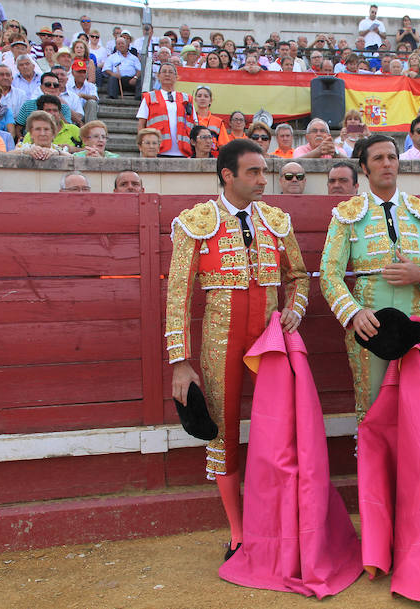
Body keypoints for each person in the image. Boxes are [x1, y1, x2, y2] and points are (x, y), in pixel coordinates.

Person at [166, 138, 309, 562]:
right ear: (227, 175)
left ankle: (279, 523)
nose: (263, 179)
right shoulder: (196, 222)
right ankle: (239, 533)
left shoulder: (277, 221)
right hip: (218, 343)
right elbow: (177, 296)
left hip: (268, 342)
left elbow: (299, 276)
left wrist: (294, 308)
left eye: (264, 171)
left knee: (281, 431)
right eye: (254, 172)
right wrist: (180, 363)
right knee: (224, 433)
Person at [319, 132, 420, 422]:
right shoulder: (347, 214)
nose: (387, 164)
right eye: (378, 158)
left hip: (414, 320)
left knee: (418, 405)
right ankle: (375, 468)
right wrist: (354, 314)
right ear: (364, 168)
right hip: (369, 323)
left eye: (392, 157)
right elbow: (329, 274)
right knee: (372, 407)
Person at [136, 63, 195, 158]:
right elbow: (141, 124)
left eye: (171, 72)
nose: (167, 74)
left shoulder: (187, 98)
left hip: (183, 151)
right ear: (158, 76)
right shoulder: (149, 97)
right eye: (164, 72)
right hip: (157, 150)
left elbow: (194, 124)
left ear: (176, 77)